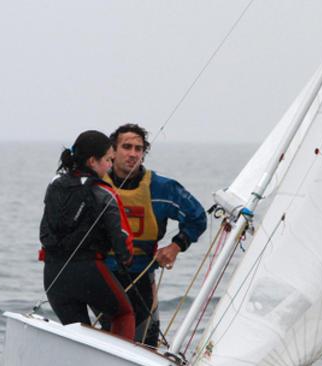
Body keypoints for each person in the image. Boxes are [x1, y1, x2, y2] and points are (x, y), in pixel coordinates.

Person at [103, 123, 207, 346]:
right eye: (127, 147)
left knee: (144, 341)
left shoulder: (162, 188)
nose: (133, 154)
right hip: (102, 274)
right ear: (112, 151)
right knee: (108, 335)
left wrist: (175, 246)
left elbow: (198, 217)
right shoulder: (97, 185)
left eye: (138, 149)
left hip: (142, 273)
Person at [39, 130, 135, 340]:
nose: (111, 165)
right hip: (88, 271)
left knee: (79, 334)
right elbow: (123, 242)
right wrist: (125, 259)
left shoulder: (54, 184)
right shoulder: (104, 192)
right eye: (109, 160)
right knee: (124, 314)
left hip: (53, 274)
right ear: (93, 161)